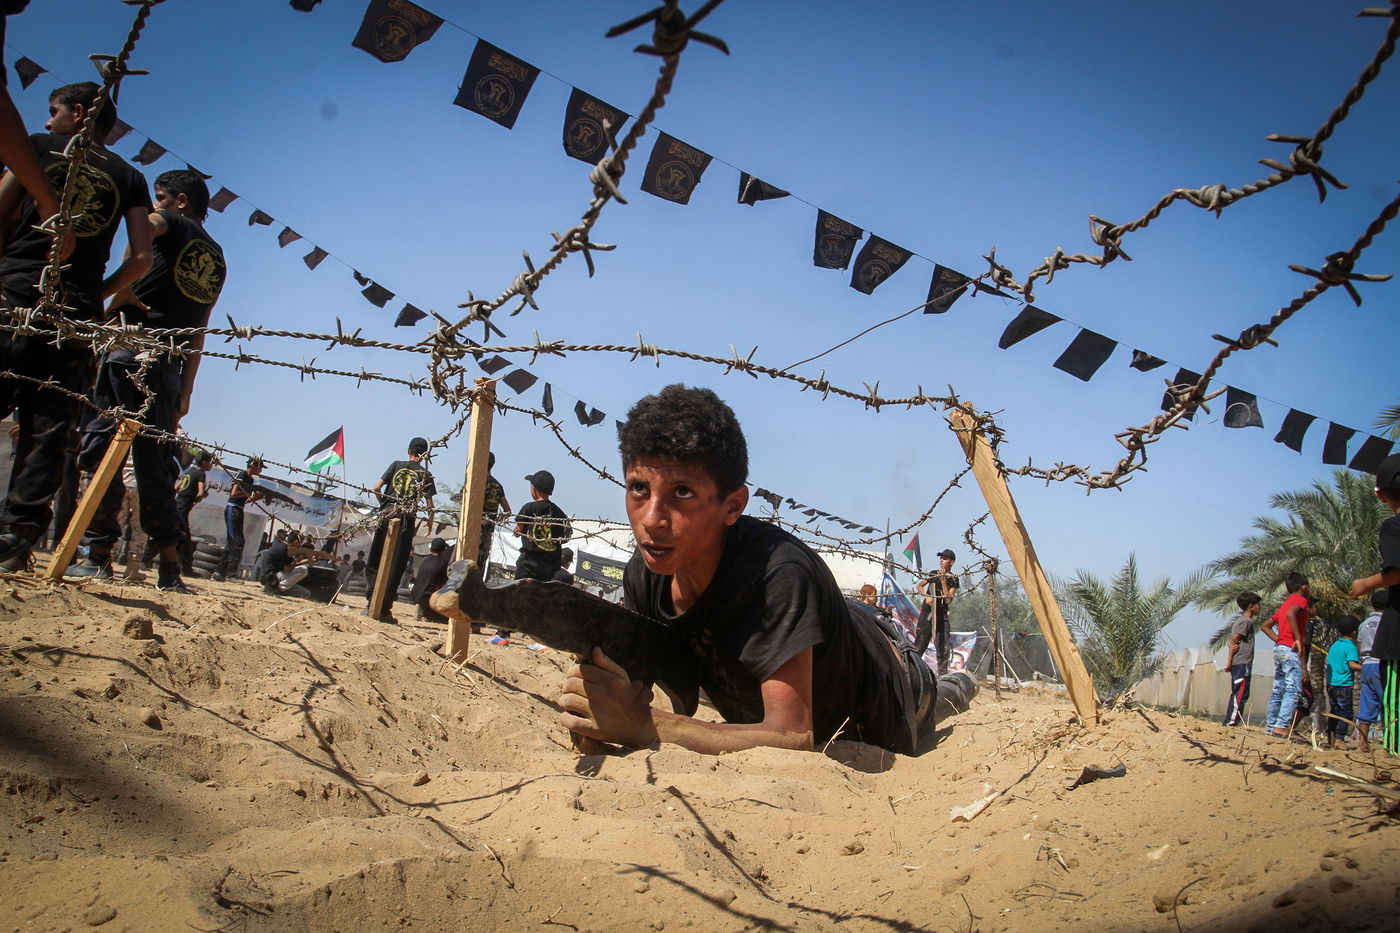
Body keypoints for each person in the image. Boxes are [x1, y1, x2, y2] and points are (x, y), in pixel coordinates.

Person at [558, 384, 977, 755]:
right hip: (828, 645)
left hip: (892, 682)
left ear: (733, 505)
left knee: (938, 697)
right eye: (638, 488)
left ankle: (961, 683)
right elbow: (625, 691)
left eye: (682, 492)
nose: (651, 518)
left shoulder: (777, 575)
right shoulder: (647, 570)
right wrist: (595, 708)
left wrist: (645, 725)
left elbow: (793, 735)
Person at [0, 82, 153, 573]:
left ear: (80, 114)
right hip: (75, 313)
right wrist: (97, 293)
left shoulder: (36, 149)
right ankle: (14, 542)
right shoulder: (129, 177)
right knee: (48, 431)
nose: (47, 122)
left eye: (53, 111)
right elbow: (143, 259)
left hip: (13, 294)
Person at [1349, 451, 1400, 755]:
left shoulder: (1393, 527)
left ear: (1380, 495)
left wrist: (1365, 584)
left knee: (1394, 704)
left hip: (1398, 636)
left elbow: (1395, 571)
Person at [492, 468, 571, 645]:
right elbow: (565, 536)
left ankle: (503, 634)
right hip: (550, 566)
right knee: (541, 601)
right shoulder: (559, 513)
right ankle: (541, 640)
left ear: (533, 489)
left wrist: (518, 532)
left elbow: (519, 530)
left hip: (528, 562)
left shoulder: (529, 507)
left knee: (515, 595)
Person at [365, 436, 436, 622]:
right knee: (396, 564)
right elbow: (430, 505)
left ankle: (371, 601)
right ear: (425, 455)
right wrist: (429, 521)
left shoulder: (396, 464)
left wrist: (385, 505)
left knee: (377, 557)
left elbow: (376, 487)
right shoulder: (425, 474)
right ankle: (384, 608)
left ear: (408, 451)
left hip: (386, 514)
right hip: (406, 520)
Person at [1261, 572, 1309, 740]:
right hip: (1290, 650)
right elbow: (1291, 615)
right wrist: (1297, 639)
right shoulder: (1300, 601)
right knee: (1293, 689)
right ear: (1304, 587)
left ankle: (1270, 726)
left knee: (1278, 689)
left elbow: (1266, 626)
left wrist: (1280, 640)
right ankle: (1281, 726)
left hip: (1279, 649)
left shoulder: (1284, 604)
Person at [215, 457, 263, 581]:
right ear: (252, 465)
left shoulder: (250, 480)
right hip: (232, 509)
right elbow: (234, 494)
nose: (261, 471)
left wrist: (256, 497)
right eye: (260, 467)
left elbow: (244, 500)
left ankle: (219, 572)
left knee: (234, 541)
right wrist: (248, 494)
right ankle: (230, 574)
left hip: (239, 509)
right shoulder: (242, 474)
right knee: (236, 541)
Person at [915, 548, 960, 671]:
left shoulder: (954, 579)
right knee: (920, 644)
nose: (941, 560)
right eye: (941, 558)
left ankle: (943, 675)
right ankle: (912, 670)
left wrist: (943, 582)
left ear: (951, 562)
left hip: (942, 614)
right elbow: (919, 586)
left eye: (945, 558)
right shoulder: (933, 573)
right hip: (928, 613)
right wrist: (926, 596)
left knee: (942, 647)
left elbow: (948, 600)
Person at [1222, 592, 1261, 727]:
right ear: (1251, 606)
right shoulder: (1246, 621)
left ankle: (1232, 721)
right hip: (1242, 663)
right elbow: (1234, 639)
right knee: (1239, 693)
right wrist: (1229, 661)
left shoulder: (1242, 621)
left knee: (1241, 693)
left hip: (1242, 662)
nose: (1259, 607)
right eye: (1257, 604)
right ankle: (1230, 722)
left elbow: (1232, 641)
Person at [1325, 616, 1362, 750]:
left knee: (1334, 711)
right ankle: (1340, 738)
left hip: (1331, 683)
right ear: (1354, 632)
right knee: (1346, 713)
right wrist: (1365, 668)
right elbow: (1352, 664)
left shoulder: (1335, 645)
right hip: (1343, 685)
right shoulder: (1350, 647)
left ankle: (1330, 736)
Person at [1356, 590, 1385, 755]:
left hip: (1366, 665)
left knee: (1367, 704)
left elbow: (1360, 645)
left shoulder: (1364, 623)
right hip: (1381, 664)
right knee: (1388, 703)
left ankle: (1362, 744)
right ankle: (1391, 743)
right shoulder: (1388, 623)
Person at [174, 450, 212, 573]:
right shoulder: (201, 473)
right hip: (183, 508)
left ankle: (183, 567)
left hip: (177, 505)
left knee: (176, 535)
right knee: (184, 539)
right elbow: (200, 492)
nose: (210, 465)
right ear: (205, 462)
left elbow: (176, 487)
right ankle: (186, 569)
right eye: (210, 462)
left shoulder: (189, 471)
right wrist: (202, 496)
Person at [478, 451, 510, 576]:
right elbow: (507, 511)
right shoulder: (498, 485)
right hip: (487, 532)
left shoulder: (477, 481)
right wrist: (494, 521)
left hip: (472, 530)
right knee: (479, 566)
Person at [411, 537, 451, 622]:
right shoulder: (443, 563)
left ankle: (423, 609)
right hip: (428, 598)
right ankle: (427, 614)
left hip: (416, 595)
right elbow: (445, 583)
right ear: (444, 550)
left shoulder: (425, 560)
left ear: (430, 549)